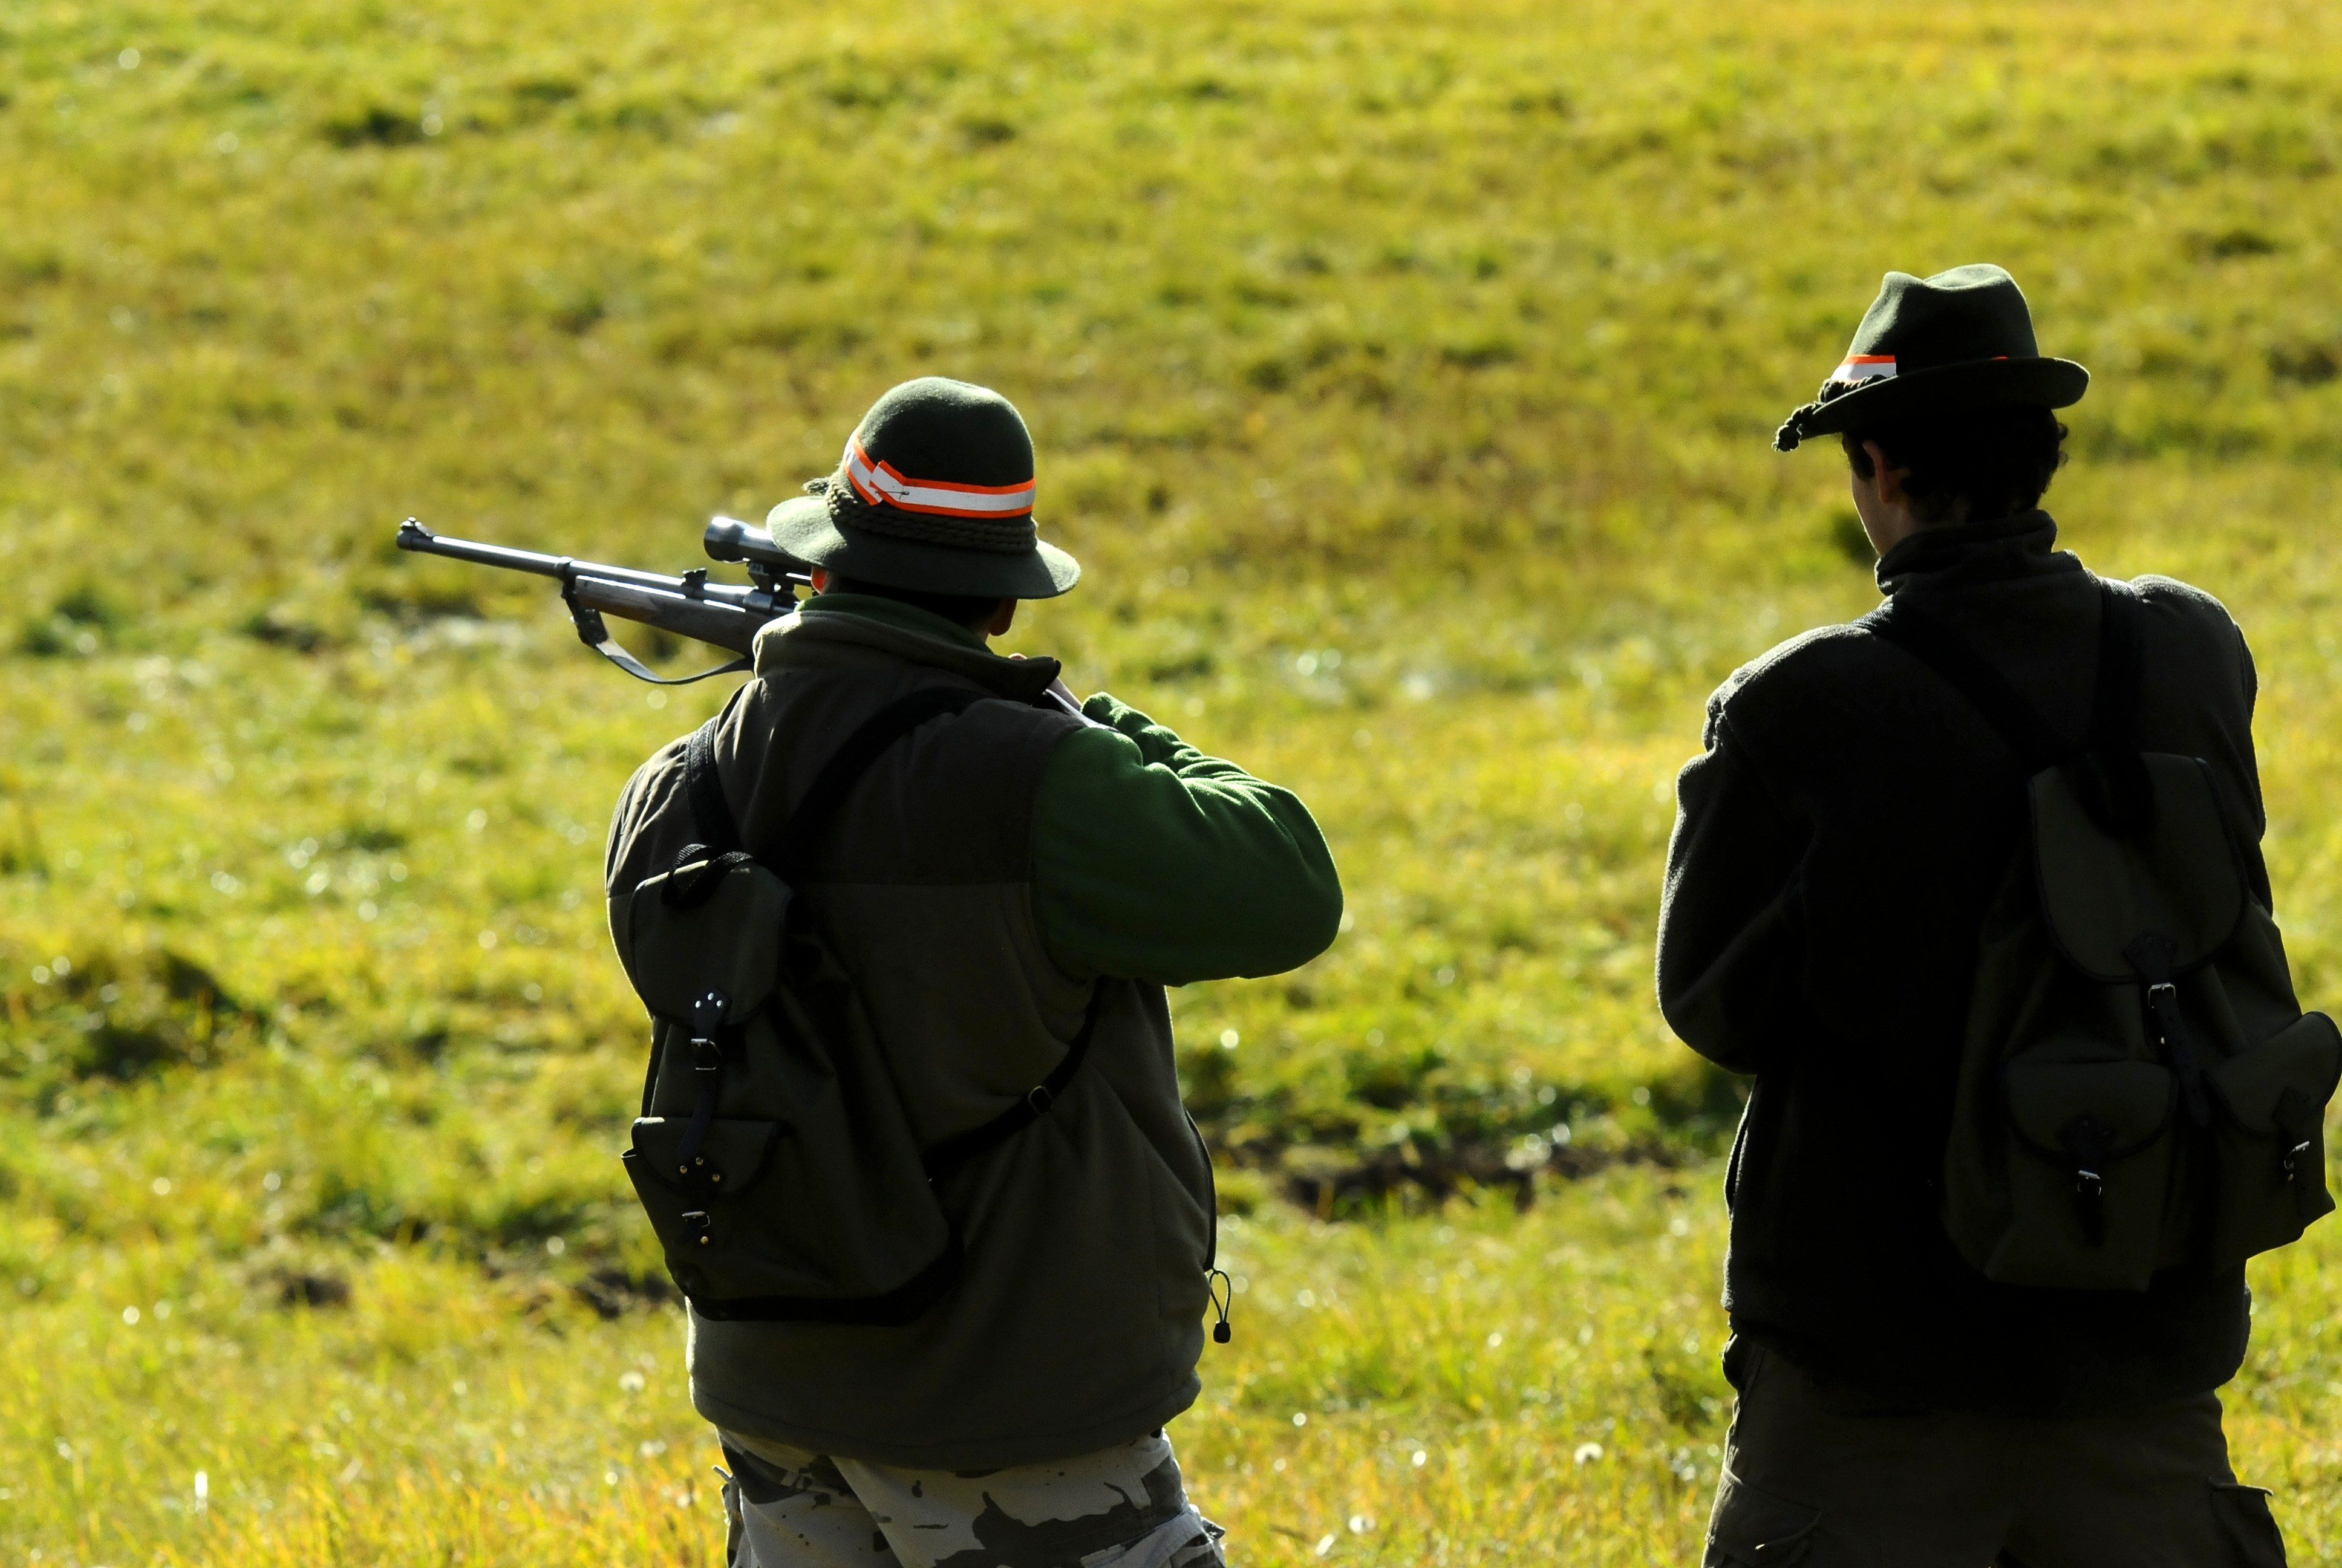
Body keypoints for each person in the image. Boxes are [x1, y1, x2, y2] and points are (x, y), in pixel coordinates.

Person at [605, 377, 1343, 1567]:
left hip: (772, 1370)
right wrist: (1121, 734)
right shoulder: (1046, 779)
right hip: (1009, 1388)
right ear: (1002, 599)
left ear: (826, 571)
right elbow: (1290, 885)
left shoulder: (670, 793)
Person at [1657, 265, 2292, 1566]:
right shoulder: (2188, 649)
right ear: (2039, 456)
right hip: (2142, 1338)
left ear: (1878, 468)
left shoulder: (1797, 706)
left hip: (1876, 1365)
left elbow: (1713, 1005)